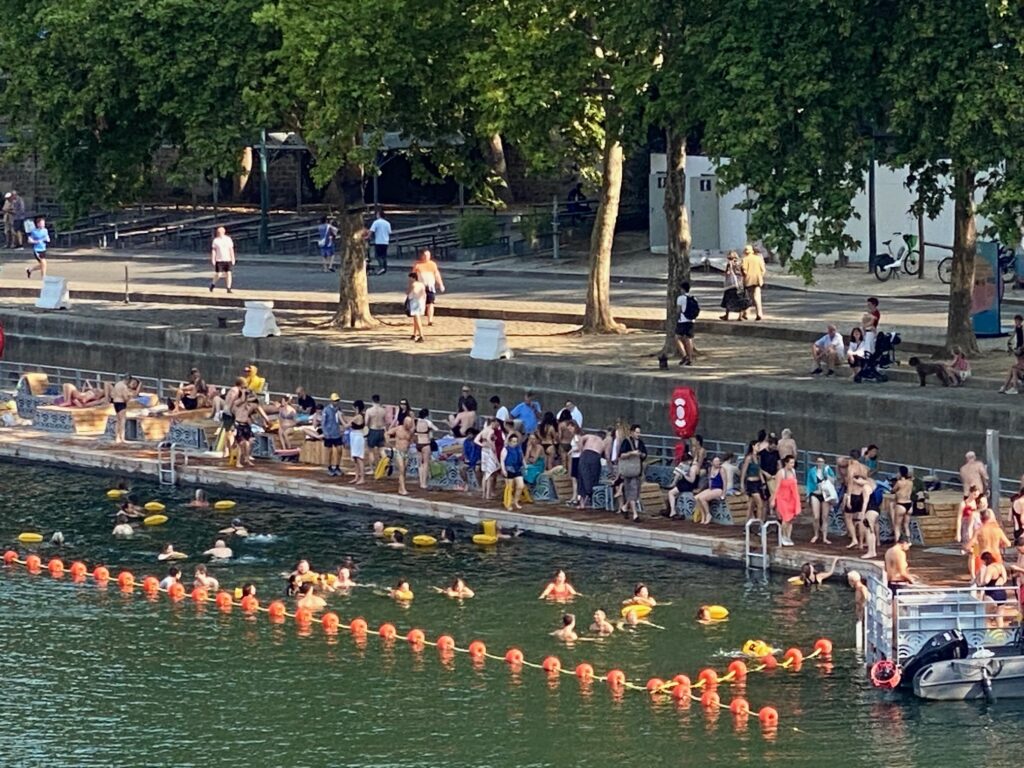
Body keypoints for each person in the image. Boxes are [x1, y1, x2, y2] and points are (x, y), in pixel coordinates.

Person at [618, 424, 647, 521]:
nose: (638, 434)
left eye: (639, 432)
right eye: (637, 432)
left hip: (637, 469)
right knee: (632, 490)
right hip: (628, 469)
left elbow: (645, 454)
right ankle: (635, 514)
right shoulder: (626, 441)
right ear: (632, 432)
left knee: (635, 492)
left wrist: (641, 454)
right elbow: (621, 455)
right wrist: (631, 453)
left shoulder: (641, 442)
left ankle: (625, 507)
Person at [806, 456, 837, 544]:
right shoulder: (812, 471)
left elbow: (833, 480)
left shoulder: (827, 470)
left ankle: (824, 537)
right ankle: (816, 534)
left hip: (825, 494)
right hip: (815, 493)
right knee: (816, 517)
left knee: (825, 516)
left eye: (822, 462)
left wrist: (827, 475)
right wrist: (808, 495)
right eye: (819, 461)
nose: (820, 463)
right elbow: (809, 483)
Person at [772, 455, 801, 545]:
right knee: (785, 518)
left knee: (791, 519)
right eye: (791, 463)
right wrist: (773, 499)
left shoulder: (793, 471)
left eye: (793, 463)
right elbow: (776, 488)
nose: (792, 465)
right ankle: (783, 536)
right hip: (782, 498)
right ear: (786, 463)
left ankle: (788, 537)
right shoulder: (781, 473)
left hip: (792, 497)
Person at [976, 552, 1011, 626]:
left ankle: (987, 634)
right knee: (999, 617)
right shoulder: (1000, 566)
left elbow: (986, 581)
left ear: (985, 560)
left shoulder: (990, 568)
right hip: (1002, 593)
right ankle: (1001, 634)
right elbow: (1005, 579)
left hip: (991, 594)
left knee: (987, 617)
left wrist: (980, 582)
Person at [412, 248, 445, 326]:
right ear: (422, 256)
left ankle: (430, 320)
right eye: (426, 255)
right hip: (420, 287)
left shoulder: (432, 264)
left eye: (428, 255)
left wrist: (440, 284)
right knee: (420, 304)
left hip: (430, 287)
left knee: (430, 303)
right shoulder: (417, 265)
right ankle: (418, 319)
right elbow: (413, 277)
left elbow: (437, 274)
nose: (427, 257)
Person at [383, 410, 413, 497]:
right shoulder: (398, 429)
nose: (409, 425)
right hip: (399, 452)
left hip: (406, 452)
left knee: (404, 472)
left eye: (410, 424)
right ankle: (403, 489)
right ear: (405, 423)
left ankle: (401, 488)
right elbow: (387, 433)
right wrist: (388, 442)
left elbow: (411, 440)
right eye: (408, 423)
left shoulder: (410, 432)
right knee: (401, 469)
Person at [739, 442, 766, 523]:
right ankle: (759, 524)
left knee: (751, 506)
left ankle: (747, 525)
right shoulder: (749, 458)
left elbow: (759, 470)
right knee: (760, 504)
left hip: (758, 482)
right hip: (751, 483)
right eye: (757, 445)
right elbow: (744, 471)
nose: (759, 447)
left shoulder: (758, 457)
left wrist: (763, 482)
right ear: (753, 446)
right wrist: (742, 484)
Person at [475, 419, 501, 501]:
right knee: (490, 473)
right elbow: (490, 439)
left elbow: (476, 440)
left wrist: (482, 444)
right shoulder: (491, 431)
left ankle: (484, 493)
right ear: (492, 423)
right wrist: (493, 447)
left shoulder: (483, 431)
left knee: (485, 473)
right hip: (489, 452)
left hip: (484, 451)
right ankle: (488, 494)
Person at [695, 456, 726, 525]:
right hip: (712, 488)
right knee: (697, 497)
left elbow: (725, 482)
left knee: (702, 498)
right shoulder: (711, 469)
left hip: (719, 489)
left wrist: (724, 493)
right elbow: (710, 480)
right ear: (712, 463)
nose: (718, 463)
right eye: (716, 461)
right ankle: (703, 515)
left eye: (718, 461)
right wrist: (709, 488)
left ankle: (708, 514)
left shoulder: (721, 470)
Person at [110, 375, 140, 444]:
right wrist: (129, 398)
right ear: (128, 380)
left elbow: (112, 394)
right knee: (122, 421)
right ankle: (122, 438)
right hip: (121, 403)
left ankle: (117, 437)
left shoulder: (117, 384)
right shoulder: (124, 386)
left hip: (115, 402)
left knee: (118, 420)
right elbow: (125, 397)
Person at [674, 280, 699, 365]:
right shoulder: (694, 298)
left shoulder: (680, 298)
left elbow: (678, 310)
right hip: (691, 321)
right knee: (689, 339)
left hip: (683, 321)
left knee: (677, 338)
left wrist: (677, 318)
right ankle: (690, 358)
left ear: (682, 289)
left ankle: (684, 356)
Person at [719, 250, 748, 320]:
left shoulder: (729, 263)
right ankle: (740, 316)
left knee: (728, 299)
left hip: (731, 284)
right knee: (740, 299)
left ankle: (727, 315)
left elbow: (727, 272)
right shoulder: (740, 263)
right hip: (739, 283)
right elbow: (744, 272)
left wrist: (725, 273)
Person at [740, 244, 766, 320]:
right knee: (757, 297)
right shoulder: (758, 258)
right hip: (758, 280)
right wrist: (760, 276)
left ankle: (747, 314)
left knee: (748, 297)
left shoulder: (745, 259)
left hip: (748, 280)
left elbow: (744, 271)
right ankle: (759, 313)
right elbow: (763, 270)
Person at [413, 408, 437, 491]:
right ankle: (424, 483)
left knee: (420, 464)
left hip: (418, 444)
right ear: (427, 415)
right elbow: (436, 429)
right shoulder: (427, 422)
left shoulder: (415, 421)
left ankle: (420, 482)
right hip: (426, 443)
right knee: (426, 463)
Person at [500, 433, 526, 510]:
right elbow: (502, 460)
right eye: (513, 441)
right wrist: (503, 469)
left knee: (521, 485)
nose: (515, 443)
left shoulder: (519, 448)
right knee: (509, 488)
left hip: (517, 468)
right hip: (509, 468)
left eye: (516, 441)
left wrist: (525, 465)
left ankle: (516, 501)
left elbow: (522, 457)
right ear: (510, 441)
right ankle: (508, 503)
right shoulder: (505, 449)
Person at [890, 466, 914, 545]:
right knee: (906, 525)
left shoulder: (899, 482)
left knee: (897, 526)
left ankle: (898, 543)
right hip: (909, 504)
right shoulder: (910, 482)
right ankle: (909, 541)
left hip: (901, 504)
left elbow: (893, 490)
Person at [322, 393, 344, 477]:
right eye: (335, 401)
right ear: (331, 401)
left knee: (339, 450)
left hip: (337, 433)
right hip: (329, 434)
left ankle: (337, 466)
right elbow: (323, 422)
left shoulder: (338, 410)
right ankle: (329, 467)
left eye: (337, 401)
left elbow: (341, 420)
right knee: (329, 451)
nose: (336, 402)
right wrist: (325, 433)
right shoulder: (326, 410)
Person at [346, 399, 367, 485]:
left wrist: (340, 416)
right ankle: (356, 476)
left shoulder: (358, 416)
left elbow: (346, 425)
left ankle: (362, 478)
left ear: (357, 407)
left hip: (358, 437)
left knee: (359, 458)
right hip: (354, 436)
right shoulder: (359, 415)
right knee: (355, 458)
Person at [365, 394, 388, 472]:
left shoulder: (369, 410)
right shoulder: (383, 410)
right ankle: (386, 463)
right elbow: (386, 422)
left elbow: (366, 422)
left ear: (372, 400)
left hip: (373, 430)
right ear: (379, 400)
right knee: (381, 450)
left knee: (371, 451)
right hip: (381, 430)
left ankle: (372, 469)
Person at [209, 226, 236, 293]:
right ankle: (213, 284)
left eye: (220, 232)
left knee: (228, 273)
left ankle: (228, 288)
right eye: (218, 232)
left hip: (227, 259)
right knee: (219, 274)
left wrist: (233, 258)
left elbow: (231, 249)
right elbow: (214, 250)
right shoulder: (216, 240)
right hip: (219, 259)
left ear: (223, 232)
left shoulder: (228, 239)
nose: (219, 233)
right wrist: (213, 258)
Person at [366, 209, 391, 275]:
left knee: (377, 255)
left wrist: (368, 236)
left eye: (377, 214)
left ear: (379, 215)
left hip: (379, 241)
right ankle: (385, 268)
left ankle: (381, 267)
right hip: (385, 241)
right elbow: (389, 232)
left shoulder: (376, 222)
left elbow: (372, 230)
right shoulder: (387, 223)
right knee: (384, 255)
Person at [406, 271, 427, 343]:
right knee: (415, 318)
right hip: (421, 301)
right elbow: (424, 294)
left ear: (413, 278)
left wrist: (409, 291)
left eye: (410, 278)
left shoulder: (413, 284)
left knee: (417, 317)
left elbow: (410, 292)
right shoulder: (421, 284)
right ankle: (415, 333)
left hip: (415, 301)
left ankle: (421, 335)